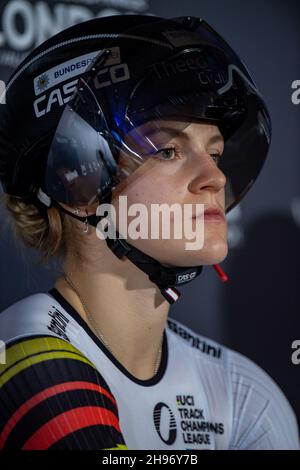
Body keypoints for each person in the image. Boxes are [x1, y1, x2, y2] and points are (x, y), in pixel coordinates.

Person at [0, 14, 298, 450]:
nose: (214, 177)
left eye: (215, 152)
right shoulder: (20, 352)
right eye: (168, 150)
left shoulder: (242, 391)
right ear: (75, 181)